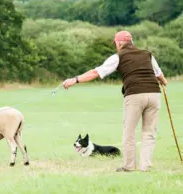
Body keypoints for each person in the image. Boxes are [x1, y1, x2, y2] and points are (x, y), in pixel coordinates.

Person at [62, 31, 168, 172]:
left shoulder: (118, 56)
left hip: (134, 95)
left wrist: (74, 80)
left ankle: (129, 167)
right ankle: (145, 167)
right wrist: (163, 82)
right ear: (132, 42)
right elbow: (159, 73)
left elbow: (96, 72)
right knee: (149, 133)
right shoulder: (147, 54)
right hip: (154, 94)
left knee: (129, 132)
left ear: (118, 43)